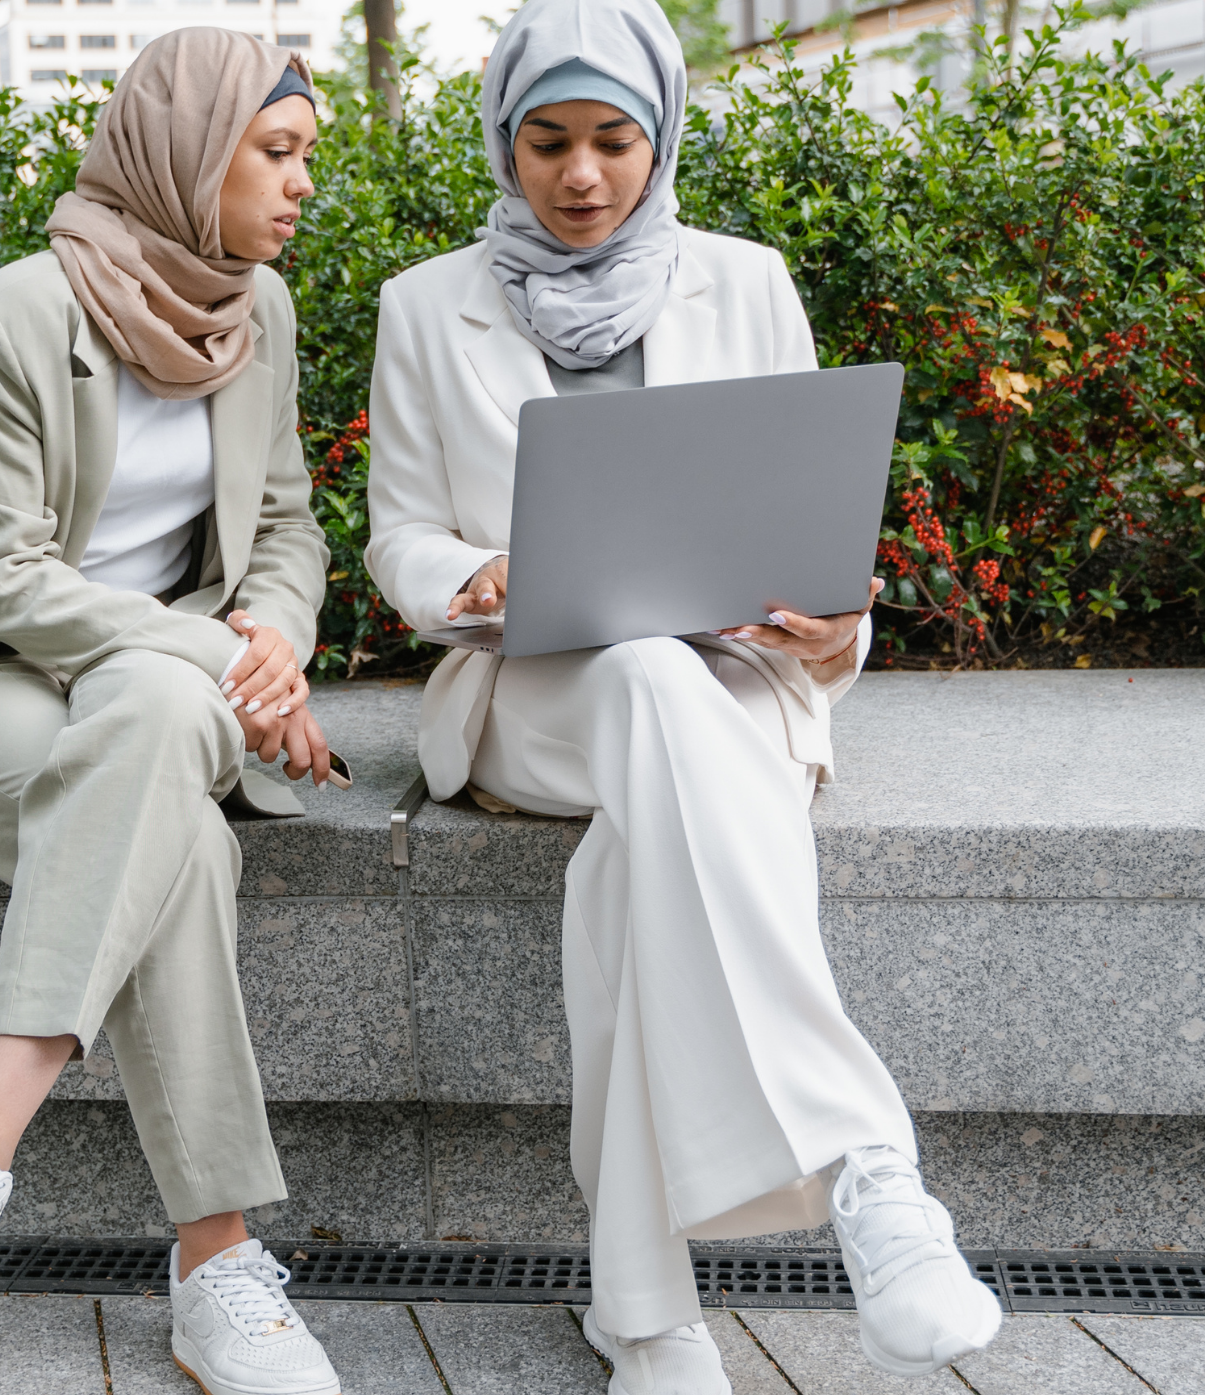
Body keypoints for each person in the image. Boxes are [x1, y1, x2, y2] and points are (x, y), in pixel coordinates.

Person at [362, 0, 1003, 1389]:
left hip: (734, 679)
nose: (581, 176)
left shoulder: (747, 279)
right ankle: (869, 1166)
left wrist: (841, 630)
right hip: (534, 690)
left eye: (612, 141)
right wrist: (475, 573)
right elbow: (398, 528)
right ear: (503, 142)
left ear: (661, 137)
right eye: (547, 143)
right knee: (642, 674)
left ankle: (643, 1306)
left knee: (632, 869)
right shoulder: (425, 304)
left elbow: (810, 510)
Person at [0, 30, 345, 1395]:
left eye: (305, 159)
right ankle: (213, 1269)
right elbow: (0, 575)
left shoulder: (259, 311)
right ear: (187, 151)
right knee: (184, 816)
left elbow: (285, 524)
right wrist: (207, 659)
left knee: (162, 736)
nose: (299, 188)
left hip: (158, 695)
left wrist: (276, 634)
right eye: (275, 155)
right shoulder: (16, 315)